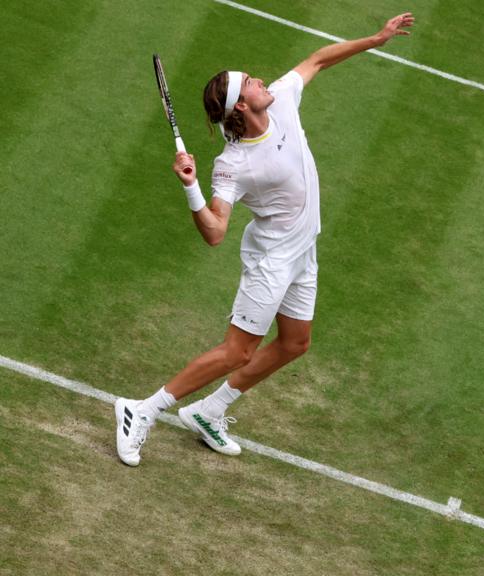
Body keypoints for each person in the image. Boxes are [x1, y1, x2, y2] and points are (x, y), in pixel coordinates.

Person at [115, 12, 415, 466]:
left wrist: (375, 39)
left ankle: (209, 411)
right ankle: (142, 410)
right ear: (241, 106)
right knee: (238, 351)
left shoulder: (282, 101)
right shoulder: (233, 164)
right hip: (271, 259)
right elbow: (215, 232)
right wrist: (191, 187)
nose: (260, 80)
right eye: (251, 82)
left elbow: (317, 60)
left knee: (295, 343)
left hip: (303, 249)